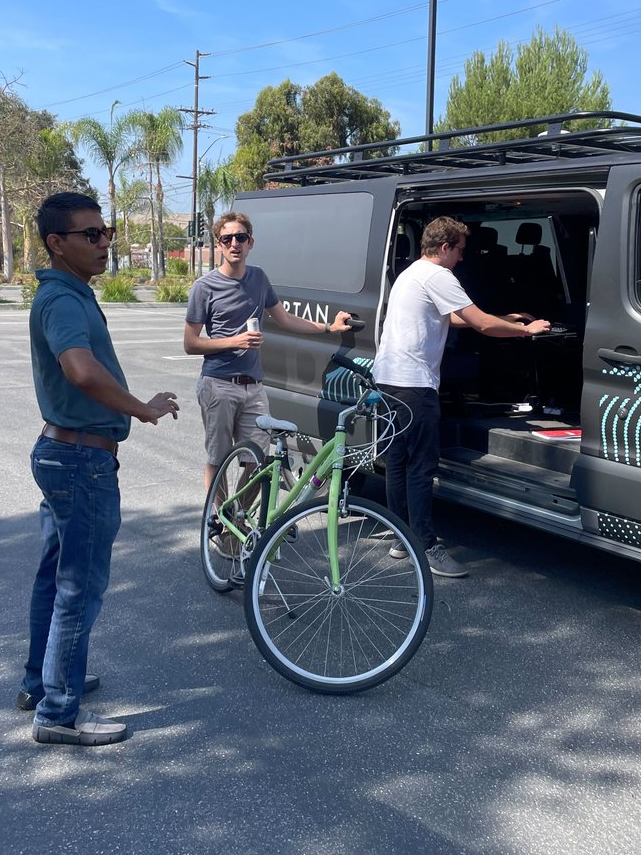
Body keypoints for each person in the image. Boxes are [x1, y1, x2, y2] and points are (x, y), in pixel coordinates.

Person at [20, 192, 180, 747]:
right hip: (81, 459)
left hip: (65, 452)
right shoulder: (62, 299)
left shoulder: (68, 292)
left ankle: (41, 684)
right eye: (91, 235)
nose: (104, 242)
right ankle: (58, 713)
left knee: (56, 576)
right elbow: (81, 370)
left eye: (105, 231)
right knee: (78, 587)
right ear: (56, 244)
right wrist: (142, 408)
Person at [373, 216, 550, 579]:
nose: (462, 258)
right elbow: (482, 325)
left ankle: (398, 536)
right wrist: (524, 329)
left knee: (397, 462)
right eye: (460, 251)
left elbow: (450, 319)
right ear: (445, 248)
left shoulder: (412, 273)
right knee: (421, 468)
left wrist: (504, 317)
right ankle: (424, 544)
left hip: (388, 380)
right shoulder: (439, 275)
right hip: (414, 386)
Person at [184, 211, 354, 497]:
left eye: (240, 237)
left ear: (251, 242)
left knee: (259, 462)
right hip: (218, 386)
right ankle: (216, 520)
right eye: (227, 239)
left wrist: (329, 327)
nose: (234, 243)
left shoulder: (259, 278)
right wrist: (234, 341)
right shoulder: (205, 287)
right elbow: (190, 343)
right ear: (219, 244)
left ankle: (235, 522)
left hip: (254, 387)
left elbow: (285, 319)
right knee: (218, 459)